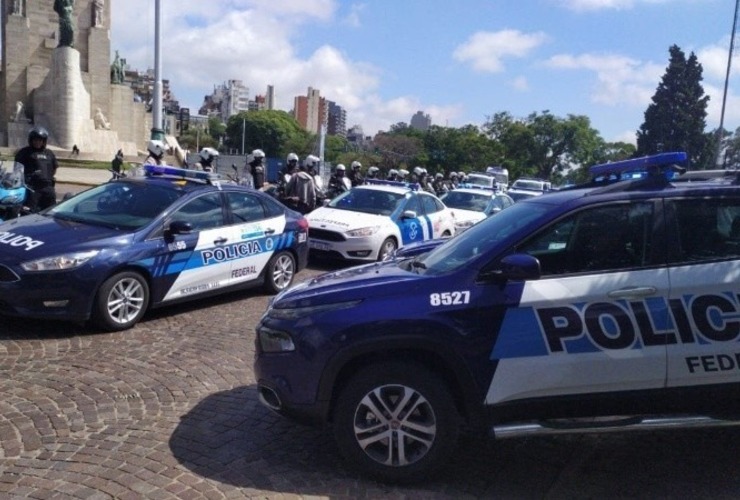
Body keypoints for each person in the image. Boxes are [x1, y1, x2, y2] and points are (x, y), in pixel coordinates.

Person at [15, 126, 59, 212]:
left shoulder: (49, 153)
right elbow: (17, 168)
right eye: (35, 140)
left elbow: (54, 168)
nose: (37, 142)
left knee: (51, 211)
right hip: (32, 188)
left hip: (48, 188)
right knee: (29, 212)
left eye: (40, 140)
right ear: (31, 140)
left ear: (44, 141)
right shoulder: (24, 152)